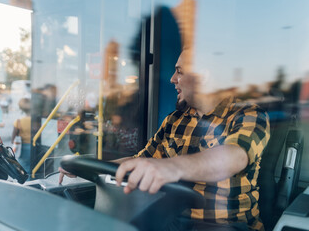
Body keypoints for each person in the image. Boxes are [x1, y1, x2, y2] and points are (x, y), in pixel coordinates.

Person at [59, 49, 270, 231]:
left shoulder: (248, 115)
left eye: (179, 71)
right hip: (173, 220)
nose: (172, 79)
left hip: (223, 225)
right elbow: (141, 160)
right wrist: (90, 167)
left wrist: (171, 167)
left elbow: (234, 156)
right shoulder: (174, 120)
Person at [11, 97, 31, 174]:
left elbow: (13, 139)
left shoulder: (18, 121)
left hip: (22, 148)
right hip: (35, 147)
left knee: (23, 170)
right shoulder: (36, 121)